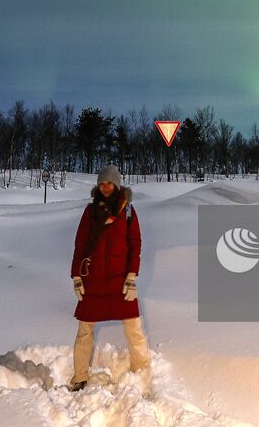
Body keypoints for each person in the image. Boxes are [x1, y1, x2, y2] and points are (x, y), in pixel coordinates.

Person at [69, 165, 150, 391]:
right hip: (93, 279)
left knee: (134, 327)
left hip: (120, 281)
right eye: (102, 183)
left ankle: (142, 372)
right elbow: (80, 245)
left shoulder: (128, 211)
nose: (105, 187)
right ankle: (80, 376)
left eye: (109, 183)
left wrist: (132, 276)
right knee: (85, 330)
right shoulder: (90, 211)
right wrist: (76, 275)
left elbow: (135, 245)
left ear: (117, 185)